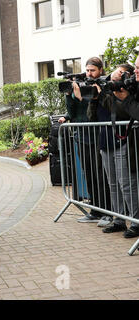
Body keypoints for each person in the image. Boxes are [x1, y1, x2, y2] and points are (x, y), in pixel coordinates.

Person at [88, 64, 139, 238]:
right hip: (106, 142)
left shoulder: (126, 91)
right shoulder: (106, 89)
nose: (114, 77)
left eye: (118, 74)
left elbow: (118, 110)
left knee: (126, 183)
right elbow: (92, 117)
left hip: (122, 140)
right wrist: (94, 98)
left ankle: (135, 221)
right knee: (113, 184)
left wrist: (106, 93)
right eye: (114, 73)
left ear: (127, 75)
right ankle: (118, 219)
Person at [59, 57, 111, 224]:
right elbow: (72, 113)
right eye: (87, 70)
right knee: (88, 173)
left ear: (100, 71)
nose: (89, 73)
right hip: (82, 136)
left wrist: (82, 97)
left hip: (97, 136)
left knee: (100, 174)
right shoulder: (80, 85)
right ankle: (94, 210)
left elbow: (95, 111)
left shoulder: (102, 85)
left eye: (93, 70)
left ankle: (107, 211)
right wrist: (70, 95)